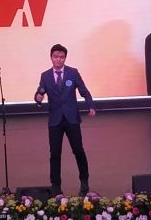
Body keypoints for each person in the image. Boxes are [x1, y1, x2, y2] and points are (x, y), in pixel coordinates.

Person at [34, 44, 96, 196]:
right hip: (55, 120)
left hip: (71, 118)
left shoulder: (72, 73)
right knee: (55, 153)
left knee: (78, 150)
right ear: (51, 57)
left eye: (61, 57)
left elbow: (84, 91)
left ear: (65, 58)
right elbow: (39, 92)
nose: (58, 59)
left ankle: (84, 181)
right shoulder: (45, 76)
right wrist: (38, 97)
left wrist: (90, 106)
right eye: (56, 57)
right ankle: (56, 185)